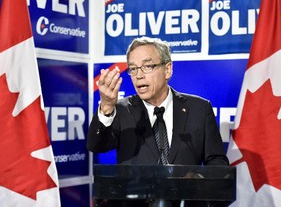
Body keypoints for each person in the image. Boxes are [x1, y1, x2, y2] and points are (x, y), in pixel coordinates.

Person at [87, 37, 229, 207]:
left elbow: (217, 162)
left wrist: (199, 180)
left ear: (167, 69)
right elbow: (96, 145)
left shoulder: (199, 109)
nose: (139, 75)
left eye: (147, 66)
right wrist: (107, 107)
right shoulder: (121, 110)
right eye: (133, 69)